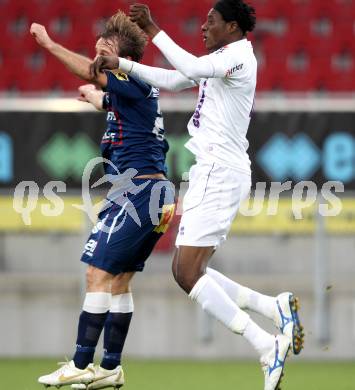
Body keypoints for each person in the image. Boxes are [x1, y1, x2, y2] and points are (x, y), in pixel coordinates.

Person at [90, 1, 304, 389]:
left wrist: (153, 30)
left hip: (220, 173)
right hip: (212, 171)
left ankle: (265, 344)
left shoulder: (238, 57)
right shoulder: (223, 57)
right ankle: (272, 307)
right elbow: (173, 81)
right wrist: (123, 66)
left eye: (212, 21)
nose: (203, 27)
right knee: (188, 269)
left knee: (186, 272)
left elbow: (186, 68)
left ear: (234, 27)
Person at [30, 10, 175, 390]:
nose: (96, 53)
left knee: (97, 274)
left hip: (137, 193)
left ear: (119, 58)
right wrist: (97, 96)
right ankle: (110, 367)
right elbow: (111, 100)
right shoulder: (131, 91)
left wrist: (49, 45)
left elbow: (90, 73)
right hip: (155, 195)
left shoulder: (131, 79)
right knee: (120, 281)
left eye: (103, 50)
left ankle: (80, 364)